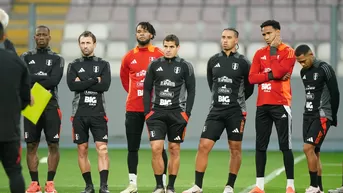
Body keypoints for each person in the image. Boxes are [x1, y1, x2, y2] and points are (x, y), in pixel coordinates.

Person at [183, 28, 254, 193]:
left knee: (235, 147)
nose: (225, 40)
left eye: (229, 37)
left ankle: (229, 186)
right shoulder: (213, 61)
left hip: (236, 112)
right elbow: (211, 84)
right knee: (203, 146)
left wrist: (236, 101)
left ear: (236, 40)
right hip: (215, 111)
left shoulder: (244, 63)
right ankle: (197, 186)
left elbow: (249, 88)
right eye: (223, 37)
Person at [143, 34, 196, 193]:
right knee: (156, 148)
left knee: (174, 149)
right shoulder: (154, 65)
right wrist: (147, 112)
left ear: (177, 48)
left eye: (171, 46)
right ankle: (159, 186)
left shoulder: (185, 65)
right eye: (165, 46)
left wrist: (187, 113)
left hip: (176, 114)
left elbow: (191, 90)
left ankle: (171, 187)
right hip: (157, 113)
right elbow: (146, 89)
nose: (168, 49)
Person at [248, 20, 296, 193]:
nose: (266, 37)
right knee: (260, 146)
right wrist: (271, 75)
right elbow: (252, 78)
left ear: (278, 32)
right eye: (263, 34)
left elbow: (280, 72)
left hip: (281, 104)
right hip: (262, 105)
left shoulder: (289, 52)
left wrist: (272, 62)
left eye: (269, 33)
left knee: (285, 146)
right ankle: (259, 186)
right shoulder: (259, 53)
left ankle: (290, 185)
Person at [120, 21, 168, 193]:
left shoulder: (159, 54)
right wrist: (137, 95)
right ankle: (132, 184)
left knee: (159, 147)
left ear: (151, 35)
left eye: (145, 31)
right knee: (133, 147)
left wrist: (151, 98)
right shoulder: (128, 57)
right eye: (139, 31)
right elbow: (125, 81)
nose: (141, 34)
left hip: (155, 109)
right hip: (133, 108)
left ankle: (161, 184)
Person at [20, 25, 64, 193]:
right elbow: (22, 79)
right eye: (38, 35)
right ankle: (34, 184)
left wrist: (33, 80)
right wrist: (42, 78)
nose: (41, 37)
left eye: (44, 35)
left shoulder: (57, 58)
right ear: (34, 37)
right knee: (31, 145)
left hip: (50, 105)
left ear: (49, 37)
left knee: (53, 144)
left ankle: (50, 183)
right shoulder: (24, 57)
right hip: (31, 104)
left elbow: (54, 81)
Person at [66, 31, 111, 193]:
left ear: (94, 44)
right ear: (79, 45)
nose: (85, 46)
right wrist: (94, 80)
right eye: (82, 43)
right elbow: (72, 86)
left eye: (88, 43)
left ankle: (104, 187)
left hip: (98, 113)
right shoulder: (73, 65)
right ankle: (89, 186)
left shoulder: (104, 64)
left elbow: (104, 86)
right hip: (79, 114)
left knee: (102, 149)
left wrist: (83, 82)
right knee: (82, 149)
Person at [295, 44, 340, 193]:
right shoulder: (303, 72)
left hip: (321, 115)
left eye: (303, 61)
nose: (302, 64)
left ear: (311, 54)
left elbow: (335, 92)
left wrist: (333, 116)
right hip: (307, 115)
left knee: (308, 148)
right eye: (299, 62)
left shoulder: (324, 68)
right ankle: (319, 187)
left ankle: (313, 186)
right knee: (315, 152)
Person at [0, 22, 29, 193]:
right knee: (14, 172)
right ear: (4, 36)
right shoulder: (16, 62)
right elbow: (26, 99)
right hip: (9, 131)